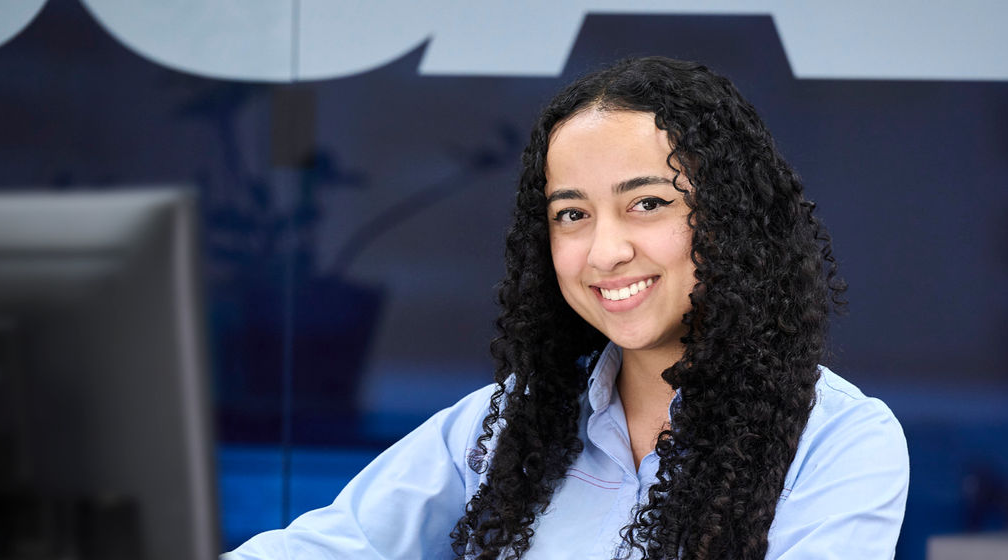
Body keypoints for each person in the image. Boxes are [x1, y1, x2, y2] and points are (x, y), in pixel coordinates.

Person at [226, 56, 908, 560]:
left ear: (730, 217)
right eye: (572, 214)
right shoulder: (504, 426)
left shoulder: (839, 442)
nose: (604, 251)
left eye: (648, 203)